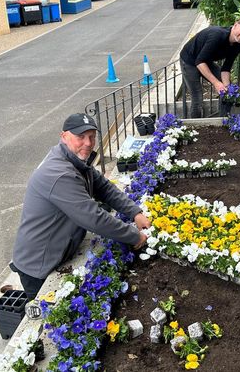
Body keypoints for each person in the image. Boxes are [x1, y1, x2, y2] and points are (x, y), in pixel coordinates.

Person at [11, 113, 151, 299]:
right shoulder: (59, 173)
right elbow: (93, 217)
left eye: (92, 137)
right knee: (52, 322)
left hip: (58, 250)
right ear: (64, 136)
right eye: (80, 137)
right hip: (39, 264)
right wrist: (134, 236)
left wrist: (135, 212)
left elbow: (104, 188)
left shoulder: (74, 160)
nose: (88, 142)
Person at [180, 18, 240, 118]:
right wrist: (216, 83)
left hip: (204, 60)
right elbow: (199, 62)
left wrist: (226, 87)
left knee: (228, 92)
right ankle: (196, 127)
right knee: (197, 97)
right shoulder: (217, 35)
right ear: (235, 25)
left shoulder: (238, 44)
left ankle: (223, 121)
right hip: (189, 61)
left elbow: (226, 68)